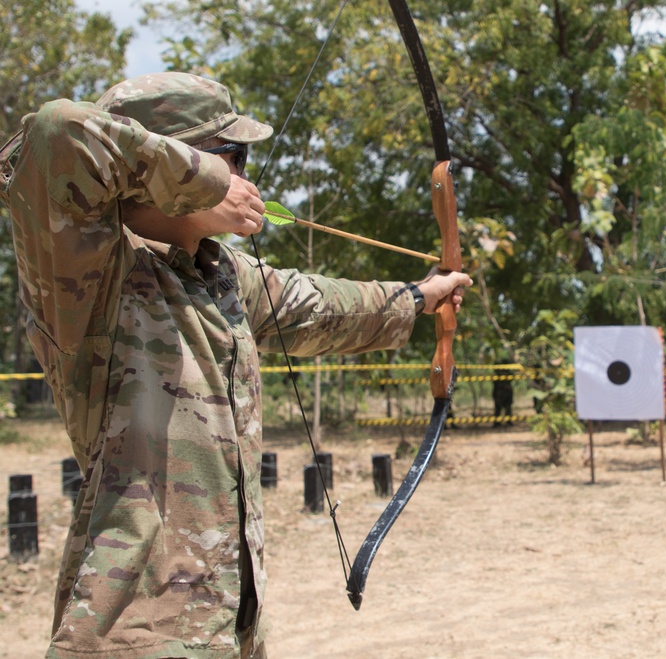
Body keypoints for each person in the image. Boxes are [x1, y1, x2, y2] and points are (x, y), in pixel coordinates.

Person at [0, 72, 472, 659]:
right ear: (174, 166)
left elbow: (319, 308)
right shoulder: (91, 276)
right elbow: (54, 135)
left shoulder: (219, 274)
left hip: (228, 632)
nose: (245, 177)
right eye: (233, 157)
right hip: (133, 636)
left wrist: (421, 296)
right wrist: (205, 182)